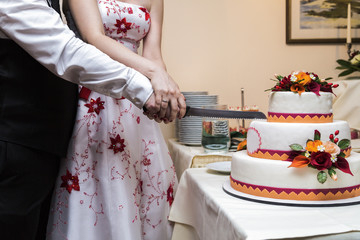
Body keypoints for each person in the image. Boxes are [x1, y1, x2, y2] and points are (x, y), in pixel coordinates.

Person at [0, 0, 186, 239]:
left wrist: (163, 90)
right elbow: (72, 47)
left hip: (131, 109)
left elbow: (154, 56)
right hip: (91, 103)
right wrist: (148, 81)